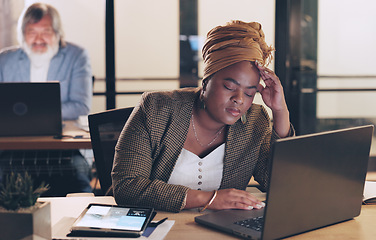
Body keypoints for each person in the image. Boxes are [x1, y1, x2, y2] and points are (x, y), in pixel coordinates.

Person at [112, 20, 294, 212]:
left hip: (219, 229)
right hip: (156, 227)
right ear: (206, 82)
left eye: (250, 93)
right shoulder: (156, 108)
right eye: (229, 87)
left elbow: (277, 183)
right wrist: (210, 198)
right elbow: (127, 187)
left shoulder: (254, 121)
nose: (239, 99)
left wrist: (280, 111)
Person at [0, 3, 93, 196]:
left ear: (58, 33)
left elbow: (81, 106)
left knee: (77, 178)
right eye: (32, 31)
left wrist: (32, 116)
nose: (39, 38)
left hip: (63, 146)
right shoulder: (5, 60)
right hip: (15, 145)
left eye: (46, 31)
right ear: (22, 34)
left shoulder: (76, 56)